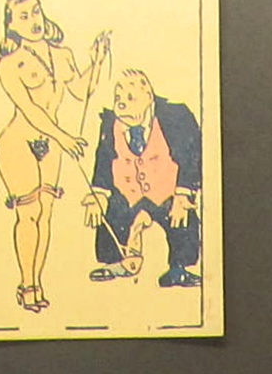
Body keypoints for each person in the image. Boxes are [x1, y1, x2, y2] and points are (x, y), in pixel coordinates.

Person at [0, 3, 108, 314]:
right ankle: (26, 284)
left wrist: (96, 62)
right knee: (28, 214)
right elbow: (30, 110)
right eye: (24, 16)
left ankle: (37, 283)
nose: (33, 21)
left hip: (51, 144)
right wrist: (63, 137)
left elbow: (81, 90)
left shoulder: (62, 54)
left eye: (36, 12)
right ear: (11, 25)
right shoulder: (9, 64)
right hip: (18, 143)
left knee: (45, 217)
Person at [85, 64, 204, 290]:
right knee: (112, 210)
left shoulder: (175, 117)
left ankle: (179, 268)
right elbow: (104, 161)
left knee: (182, 217)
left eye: (130, 98)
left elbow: (193, 157)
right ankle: (116, 262)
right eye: (118, 98)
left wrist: (184, 193)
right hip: (128, 192)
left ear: (148, 97)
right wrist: (99, 194)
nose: (121, 104)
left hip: (166, 190)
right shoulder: (110, 125)